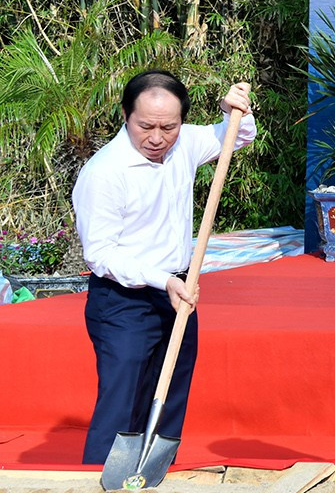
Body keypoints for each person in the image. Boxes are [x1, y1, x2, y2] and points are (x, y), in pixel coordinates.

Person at [73, 71, 255, 465]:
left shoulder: (185, 142)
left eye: (168, 127)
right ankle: (98, 485)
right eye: (146, 126)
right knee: (123, 399)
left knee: (170, 391)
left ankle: (153, 475)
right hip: (124, 299)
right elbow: (100, 254)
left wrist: (232, 109)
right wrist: (164, 280)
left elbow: (237, 134)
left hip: (178, 293)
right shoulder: (104, 173)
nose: (157, 138)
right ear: (126, 115)